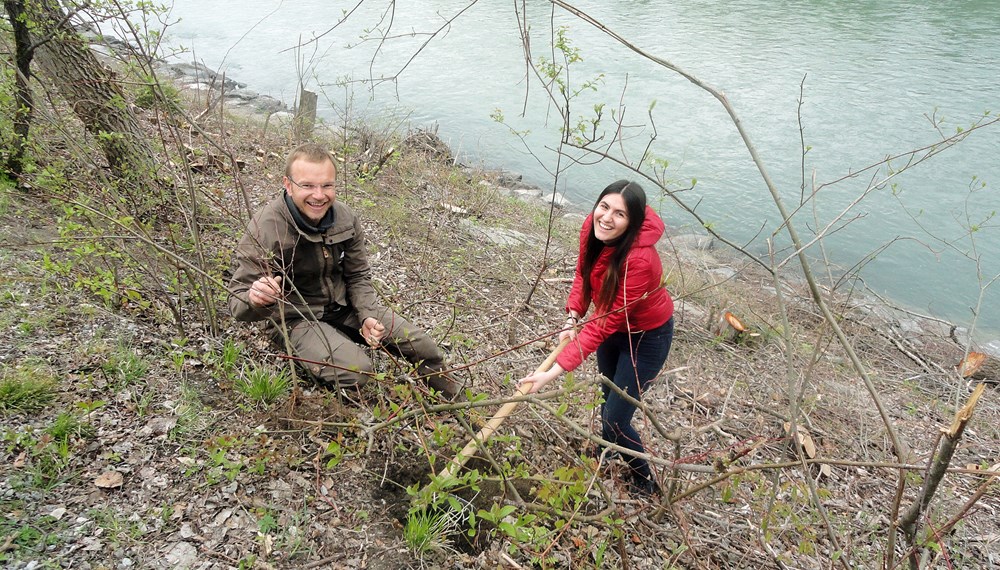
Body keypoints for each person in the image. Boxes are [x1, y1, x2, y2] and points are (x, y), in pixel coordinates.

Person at [228, 142, 464, 400]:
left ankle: (459, 403)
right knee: (358, 371)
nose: (319, 195)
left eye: (327, 185)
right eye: (307, 185)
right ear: (288, 184)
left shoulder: (344, 217)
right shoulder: (266, 228)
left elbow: (358, 275)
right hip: (297, 317)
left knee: (423, 347)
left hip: (343, 306)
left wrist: (366, 316)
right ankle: (323, 363)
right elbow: (237, 304)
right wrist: (255, 299)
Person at [518, 180, 674, 497]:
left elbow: (603, 323)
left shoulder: (639, 261)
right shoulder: (593, 225)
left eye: (620, 214)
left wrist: (550, 374)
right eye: (604, 206)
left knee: (617, 418)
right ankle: (610, 451)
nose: (606, 217)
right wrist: (573, 315)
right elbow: (583, 272)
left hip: (645, 339)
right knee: (607, 399)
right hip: (613, 329)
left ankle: (645, 480)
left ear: (632, 222)